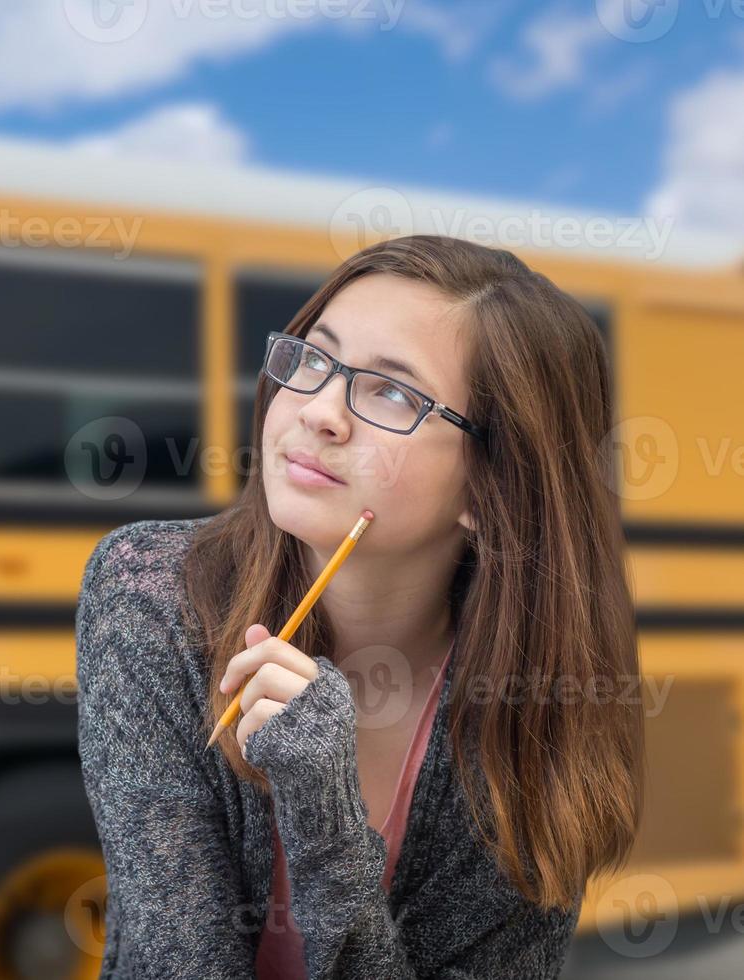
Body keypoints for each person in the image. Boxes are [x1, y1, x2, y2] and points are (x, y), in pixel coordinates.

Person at [75, 234, 643, 978]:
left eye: (392, 393)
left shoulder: (534, 711)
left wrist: (325, 812)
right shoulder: (150, 594)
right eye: (315, 358)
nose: (317, 412)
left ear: (491, 488)